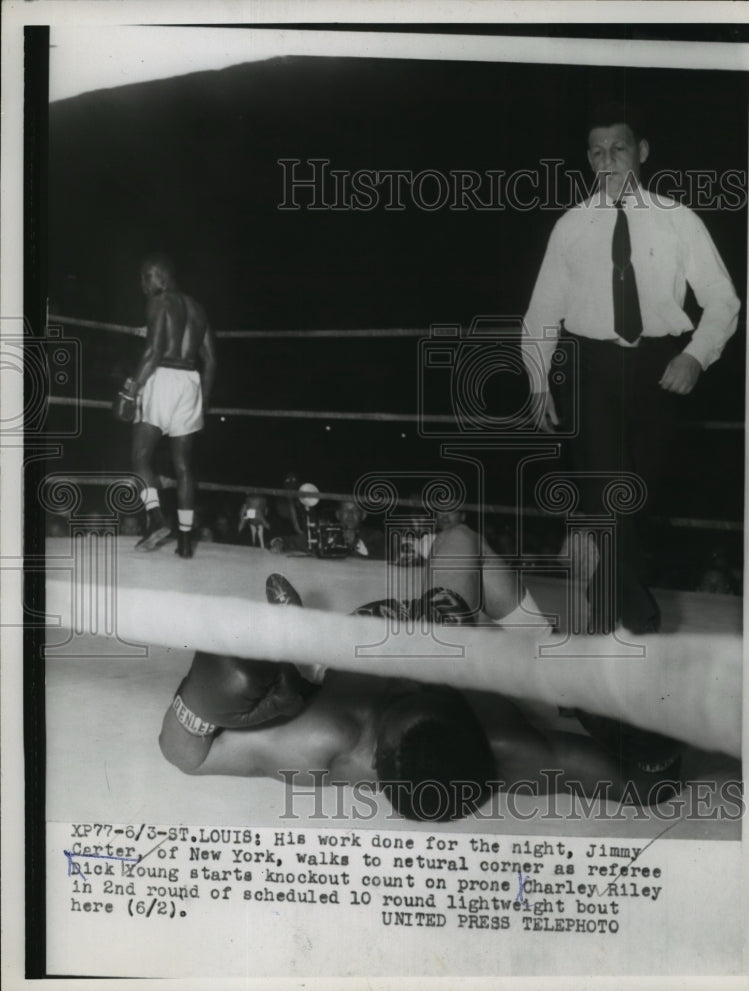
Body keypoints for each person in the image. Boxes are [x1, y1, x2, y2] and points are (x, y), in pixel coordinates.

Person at [158, 570, 676, 818]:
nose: (413, 678)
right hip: (457, 645)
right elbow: (643, 787)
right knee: (457, 551)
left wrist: (205, 698)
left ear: (375, 754)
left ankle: (294, 640)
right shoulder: (511, 748)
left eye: (405, 697)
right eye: (430, 690)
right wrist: (636, 722)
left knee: (269, 677)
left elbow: (185, 755)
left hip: (344, 656)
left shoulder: (322, 742)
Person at [522, 104, 740, 635]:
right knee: (608, 492)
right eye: (596, 152)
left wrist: (694, 355)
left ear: (641, 152)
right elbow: (542, 313)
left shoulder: (678, 219)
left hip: (658, 366)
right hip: (590, 368)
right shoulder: (571, 226)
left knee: (635, 499)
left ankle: (602, 610)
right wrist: (536, 380)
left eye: (618, 148)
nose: (607, 160)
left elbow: (724, 301)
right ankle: (636, 622)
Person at [124, 254, 218, 558]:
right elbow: (212, 362)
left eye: (145, 276)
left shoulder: (160, 301)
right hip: (190, 383)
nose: (142, 284)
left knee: (140, 456)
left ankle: (155, 518)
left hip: (162, 378)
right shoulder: (198, 309)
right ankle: (186, 541)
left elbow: (154, 352)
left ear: (159, 276)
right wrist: (201, 403)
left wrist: (130, 388)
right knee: (183, 466)